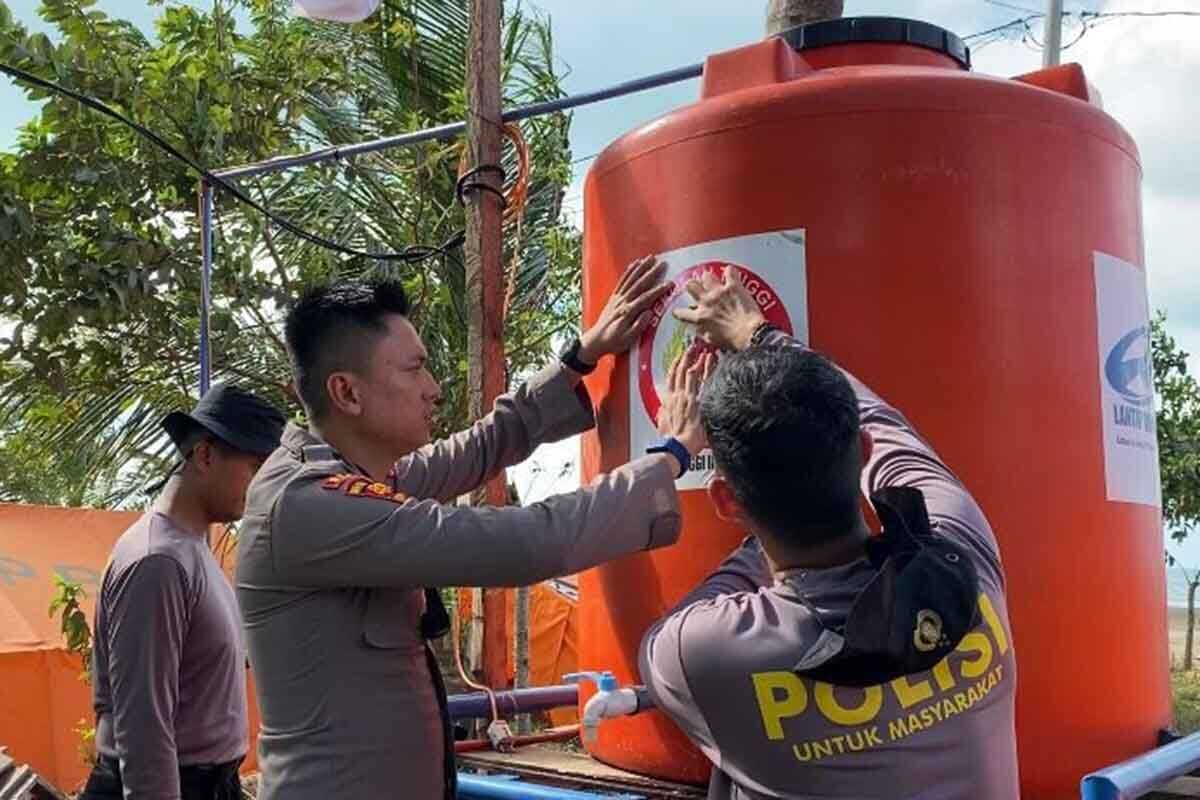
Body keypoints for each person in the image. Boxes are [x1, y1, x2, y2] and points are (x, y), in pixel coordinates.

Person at [236, 256, 713, 800]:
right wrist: (672, 456)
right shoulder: (308, 503)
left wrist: (582, 356)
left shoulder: (359, 475)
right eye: (414, 370)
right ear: (347, 392)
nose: (434, 388)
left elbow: (482, 445)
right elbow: (523, 542)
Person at [638, 267, 1019, 799]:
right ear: (860, 453)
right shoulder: (963, 551)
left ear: (725, 501)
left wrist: (675, 452)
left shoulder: (697, 650)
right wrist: (760, 334)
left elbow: (678, 626)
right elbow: (884, 424)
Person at [81, 384, 286, 800]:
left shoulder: (192, 550)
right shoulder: (158, 560)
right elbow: (144, 729)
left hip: (206, 783)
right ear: (206, 455)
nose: (264, 488)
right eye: (255, 469)